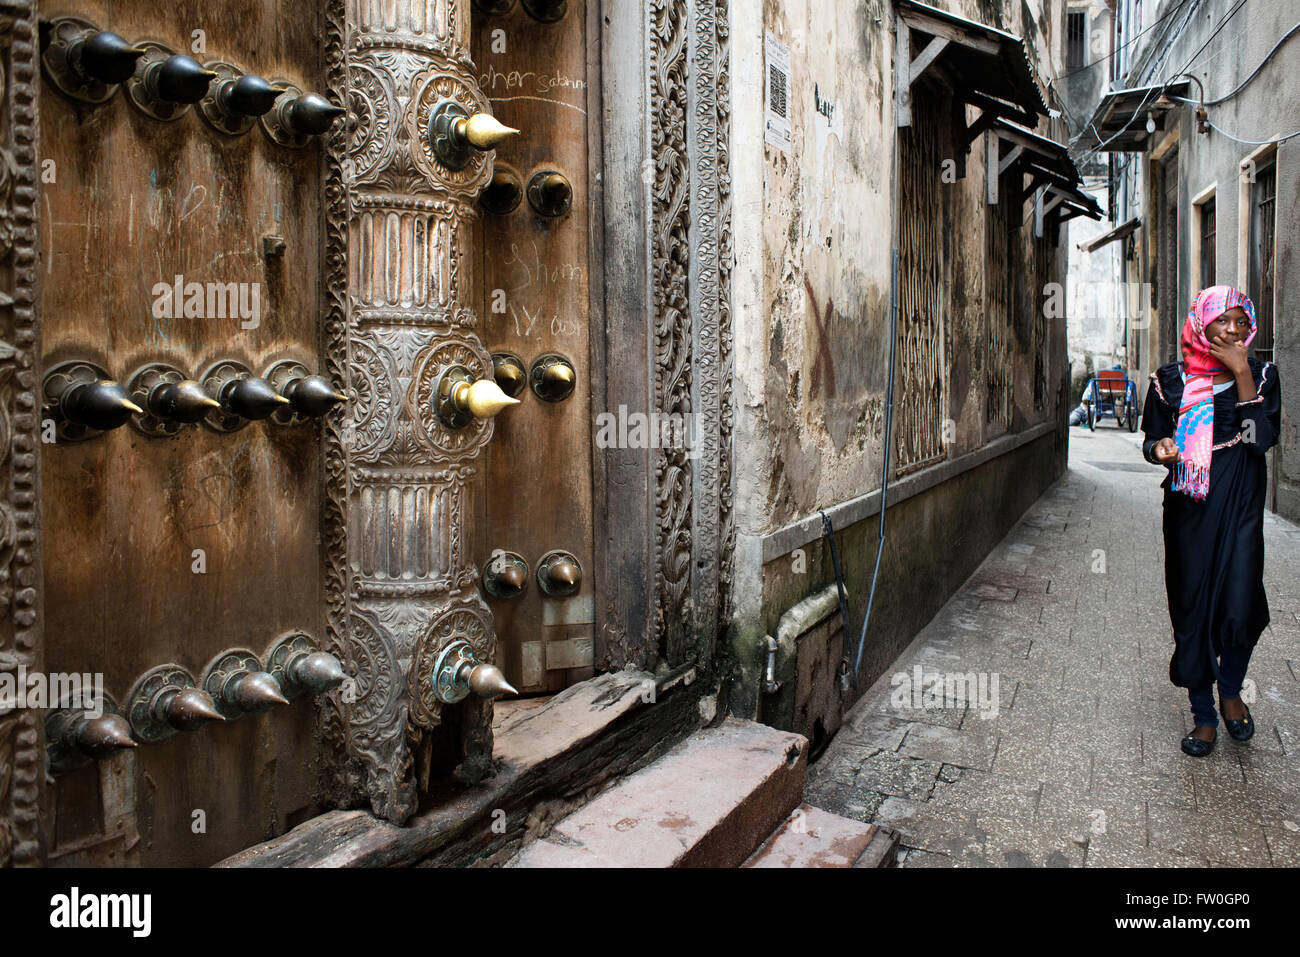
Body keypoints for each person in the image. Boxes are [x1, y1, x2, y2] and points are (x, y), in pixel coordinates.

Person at [1139, 286, 1281, 757]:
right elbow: (1153, 440)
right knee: (1192, 608)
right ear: (1202, 324)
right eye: (1224, 321)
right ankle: (1203, 714)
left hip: (1240, 504)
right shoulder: (1170, 381)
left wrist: (1242, 373)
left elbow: (1259, 441)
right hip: (1189, 510)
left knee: (1240, 605)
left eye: (1242, 321)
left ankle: (1231, 691)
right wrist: (1160, 450)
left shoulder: (1262, 375)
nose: (1235, 329)